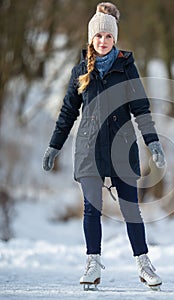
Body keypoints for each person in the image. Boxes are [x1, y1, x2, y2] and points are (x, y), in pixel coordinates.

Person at [42, 2, 165, 291]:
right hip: (88, 149)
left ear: (115, 38)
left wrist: (153, 141)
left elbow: (141, 109)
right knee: (91, 208)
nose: (103, 41)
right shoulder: (79, 72)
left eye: (108, 36)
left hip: (122, 147)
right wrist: (54, 146)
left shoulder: (127, 68)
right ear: (91, 39)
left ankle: (144, 264)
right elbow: (67, 114)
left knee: (131, 209)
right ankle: (93, 263)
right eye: (98, 36)